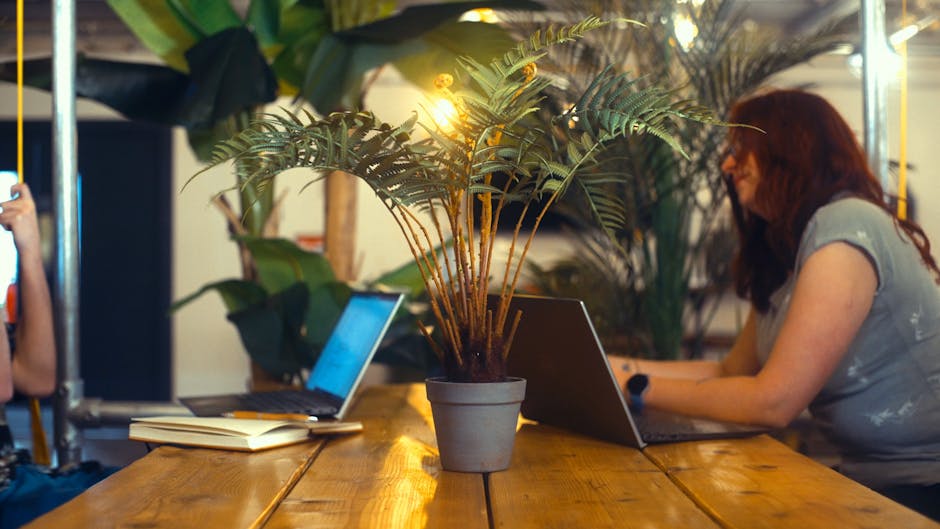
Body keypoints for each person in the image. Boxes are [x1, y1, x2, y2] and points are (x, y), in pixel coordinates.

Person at [608, 88, 940, 520]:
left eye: (740, 149)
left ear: (787, 146)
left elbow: (773, 402)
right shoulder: (790, 249)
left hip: (925, 486)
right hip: (873, 481)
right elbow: (729, 372)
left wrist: (635, 388)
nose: (727, 164)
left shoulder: (845, 223)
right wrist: (613, 367)